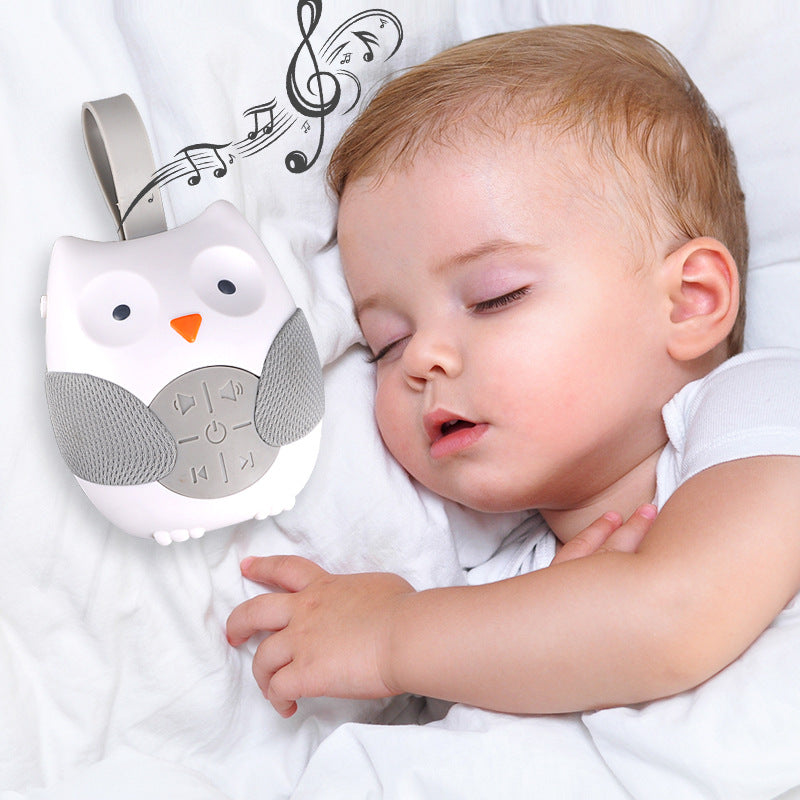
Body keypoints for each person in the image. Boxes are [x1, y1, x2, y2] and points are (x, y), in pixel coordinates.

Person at [227, 24, 800, 721]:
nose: (422, 358)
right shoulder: (492, 592)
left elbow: (675, 617)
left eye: (494, 297)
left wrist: (389, 637)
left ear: (690, 301)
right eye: (387, 342)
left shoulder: (762, 409)